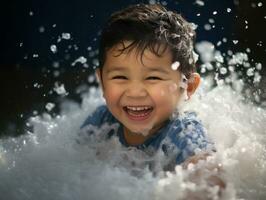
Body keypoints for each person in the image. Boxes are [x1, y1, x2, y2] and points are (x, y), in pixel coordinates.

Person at [81, 3, 224, 190]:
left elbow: (209, 170)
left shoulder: (183, 131)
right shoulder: (101, 122)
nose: (135, 92)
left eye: (153, 77)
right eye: (120, 77)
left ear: (187, 86)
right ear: (102, 81)